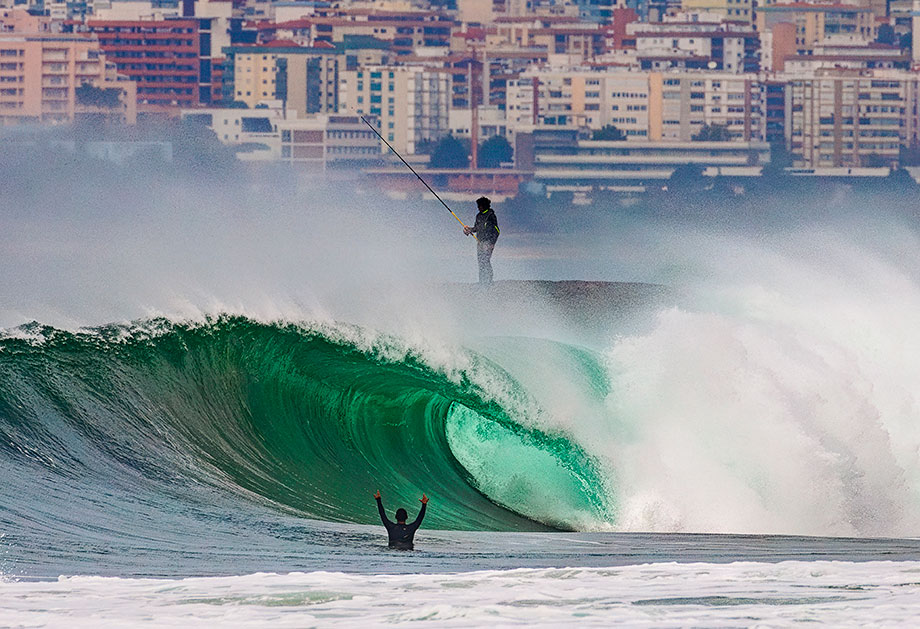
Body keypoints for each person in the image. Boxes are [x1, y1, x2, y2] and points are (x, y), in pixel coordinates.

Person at [463, 196, 500, 285]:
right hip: (480, 242)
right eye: (478, 206)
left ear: (485, 205)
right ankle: (482, 282)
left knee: (485, 261)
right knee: (480, 262)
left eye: (480, 206)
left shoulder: (491, 215)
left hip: (488, 242)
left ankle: (489, 281)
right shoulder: (478, 216)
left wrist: (492, 243)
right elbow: (477, 228)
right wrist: (469, 229)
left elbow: (497, 231)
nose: (478, 207)